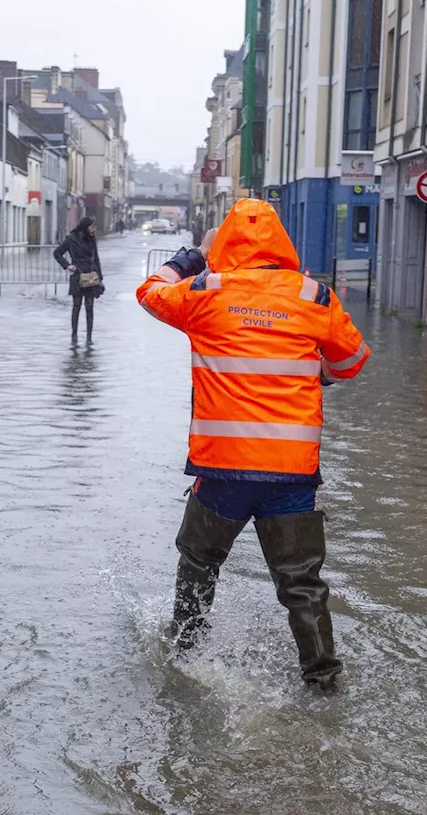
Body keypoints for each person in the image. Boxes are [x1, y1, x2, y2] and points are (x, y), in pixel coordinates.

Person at [135, 198, 370, 690]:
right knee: (302, 582)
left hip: (223, 470)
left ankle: (184, 653)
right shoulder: (315, 297)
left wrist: (191, 257)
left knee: (199, 563)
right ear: (282, 242)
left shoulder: (204, 291)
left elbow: (149, 291)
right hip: (292, 472)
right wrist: (314, 372)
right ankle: (323, 679)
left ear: (224, 243)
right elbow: (351, 362)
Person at [54, 217, 104, 344]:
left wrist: (100, 278)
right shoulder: (71, 239)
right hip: (78, 276)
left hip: (91, 276)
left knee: (89, 307)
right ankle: (74, 335)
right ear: (85, 227)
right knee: (76, 306)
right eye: (92, 227)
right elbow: (57, 253)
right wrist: (67, 265)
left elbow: (96, 259)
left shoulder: (92, 239)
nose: (94, 230)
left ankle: (89, 337)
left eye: (95, 227)